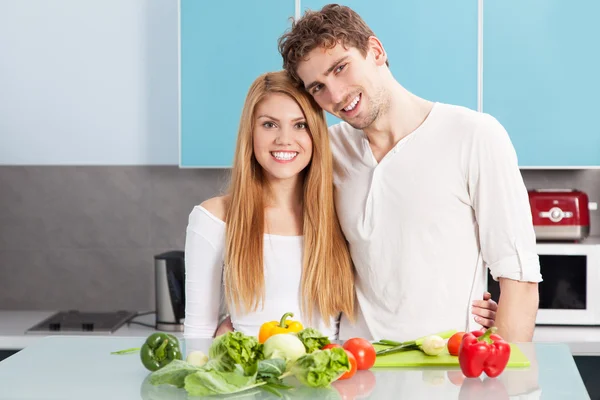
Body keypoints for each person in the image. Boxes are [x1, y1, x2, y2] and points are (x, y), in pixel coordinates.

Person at [276, 4, 541, 342]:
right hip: (358, 371)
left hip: (450, 375)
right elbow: (270, 219)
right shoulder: (328, 150)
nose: (336, 95)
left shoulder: (474, 135)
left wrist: (502, 381)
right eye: (318, 87)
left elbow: (519, 278)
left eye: (341, 68)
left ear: (375, 51)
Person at [184, 71, 497, 340]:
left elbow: (398, 270)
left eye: (300, 125)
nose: (284, 139)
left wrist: (468, 306)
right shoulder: (215, 219)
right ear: (249, 133)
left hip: (331, 383)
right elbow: (198, 334)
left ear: (317, 134)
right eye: (269, 125)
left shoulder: (336, 211)